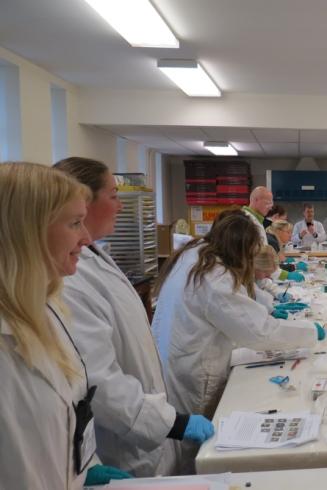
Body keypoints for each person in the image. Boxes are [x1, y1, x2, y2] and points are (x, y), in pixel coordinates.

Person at [54, 157, 214, 477]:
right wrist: (170, 422)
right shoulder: (70, 277)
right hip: (118, 440)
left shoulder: (93, 255)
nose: (121, 206)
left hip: (139, 426)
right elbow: (97, 378)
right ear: (83, 201)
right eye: (113, 196)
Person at [0, 162, 130, 489]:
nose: (86, 238)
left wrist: (81, 471)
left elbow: (68, 414)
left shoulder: (46, 310)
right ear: (25, 231)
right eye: (75, 223)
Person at [152, 211, 321, 418]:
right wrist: (310, 330)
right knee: (195, 441)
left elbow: (241, 300)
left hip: (179, 359)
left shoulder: (198, 254)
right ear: (239, 246)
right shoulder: (214, 276)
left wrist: (269, 309)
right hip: (191, 372)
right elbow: (258, 331)